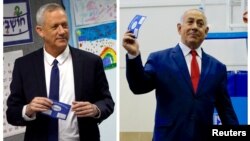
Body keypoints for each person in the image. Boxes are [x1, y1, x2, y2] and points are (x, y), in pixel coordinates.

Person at [122, 9, 238, 141]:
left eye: (200, 24)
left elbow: (226, 110)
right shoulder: (159, 59)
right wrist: (133, 55)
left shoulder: (218, 68)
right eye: (190, 22)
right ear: (179, 28)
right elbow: (138, 87)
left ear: (206, 32)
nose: (195, 27)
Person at [6, 3, 114, 141]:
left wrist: (95, 109)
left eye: (65, 25)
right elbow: (12, 113)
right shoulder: (23, 65)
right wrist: (28, 109)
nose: (62, 31)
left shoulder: (91, 62)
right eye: (55, 26)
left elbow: (107, 101)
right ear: (40, 31)